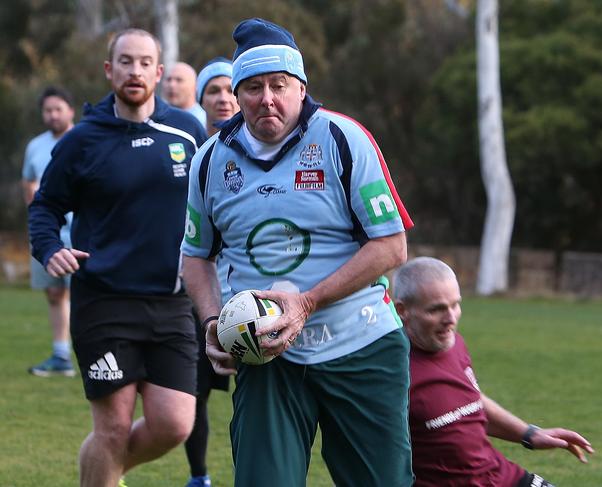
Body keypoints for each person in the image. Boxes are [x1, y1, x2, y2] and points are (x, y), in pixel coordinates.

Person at [181, 17, 414, 487]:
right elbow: (195, 256)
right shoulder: (209, 160)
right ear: (237, 93)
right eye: (252, 87)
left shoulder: (344, 140)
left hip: (360, 344)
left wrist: (307, 303)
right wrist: (210, 322)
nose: (267, 98)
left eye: (279, 85)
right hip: (267, 358)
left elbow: (391, 246)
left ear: (302, 88)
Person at [28, 28, 207, 487]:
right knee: (111, 428)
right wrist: (50, 249)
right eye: (125, 62)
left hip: (171, 302)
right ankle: (103, 470)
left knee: (174, 424)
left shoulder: (187, 131)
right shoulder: (81, 140)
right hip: (104, 301)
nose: (136, 71)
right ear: (109, 70)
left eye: (145, 62)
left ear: (159, 72)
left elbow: (213, 203)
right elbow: (45, 207)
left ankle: (101, 474)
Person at [392, 257, 595, 487]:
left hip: (500, 475)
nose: (451, 319)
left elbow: (470, 402)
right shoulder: (391, 373)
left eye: (455, 304)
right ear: (403, 310)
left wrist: (528, 434)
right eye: (437, 309)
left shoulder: (455, 344)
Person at [181, 56, 239, 487]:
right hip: (198, 298)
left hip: (251, 290)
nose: (222, 98)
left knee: (255, 393)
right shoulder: (190, 154)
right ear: (200, 100)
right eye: (212, 90)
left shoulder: (271, 153)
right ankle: (199, 477)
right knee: (193, 392)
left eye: (228, 89)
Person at [22, 86, 76, 377]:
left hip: (81, 233)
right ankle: (60, 355)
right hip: (49, 235)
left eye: (58, 109)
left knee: (86, 294)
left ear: (70, 110)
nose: (53, 115)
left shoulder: (84, 139)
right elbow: (28, 183)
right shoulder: (35, 146)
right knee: (55, 293)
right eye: (48, 110)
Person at [196, 56, 239, 136]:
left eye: (231, 91)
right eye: (214, 92)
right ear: (201, 101)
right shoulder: (192, 145)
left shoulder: (258, 145)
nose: (223, 99)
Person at [162, 61, 207, 126]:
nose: (171, 85)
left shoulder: (202, 123)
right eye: (168, 79)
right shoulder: (154, 118)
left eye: (179, 80)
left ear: (195, 85)